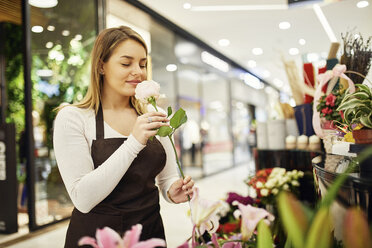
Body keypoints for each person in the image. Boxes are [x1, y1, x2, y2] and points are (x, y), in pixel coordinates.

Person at [53, 26, 194, 248]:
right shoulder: (73, 118)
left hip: (149, 232)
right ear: (101, 66)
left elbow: (166, 179)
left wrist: (172, 191)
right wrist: (134, 143)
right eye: (126, 63)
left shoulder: (154, 116)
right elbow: (83, 199)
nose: (138, 71)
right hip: (97, 238)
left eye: (143, 64)